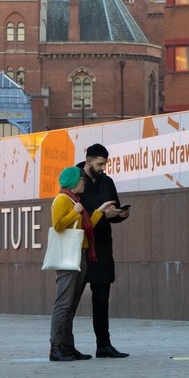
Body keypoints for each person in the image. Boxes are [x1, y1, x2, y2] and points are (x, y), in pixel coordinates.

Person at [49, 166, 115, 362]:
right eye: (81, 179)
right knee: (63, 305)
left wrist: (99, 211)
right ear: (73, 181)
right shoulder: (62, 200)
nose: (83, 182)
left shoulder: (74, 200)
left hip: (80, 257)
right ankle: (57, 347)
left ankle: (68, 347)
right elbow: (58, 225)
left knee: (71, 305)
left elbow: (86, 228)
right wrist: (75, 213)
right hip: (68, 258)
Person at [77, 143, 131, 358]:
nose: (102, 168)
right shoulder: (75, 179)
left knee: (101, 300)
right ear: (88, 160)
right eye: (99, 164)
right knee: (70, 300)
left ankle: (104, 345)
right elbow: (73, 214)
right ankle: (63, 344)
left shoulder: (107, 181)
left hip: (102, 248)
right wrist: (101, 215)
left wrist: (120, 214)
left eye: (104, 164)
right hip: (80, 247)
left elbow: (113, 210)